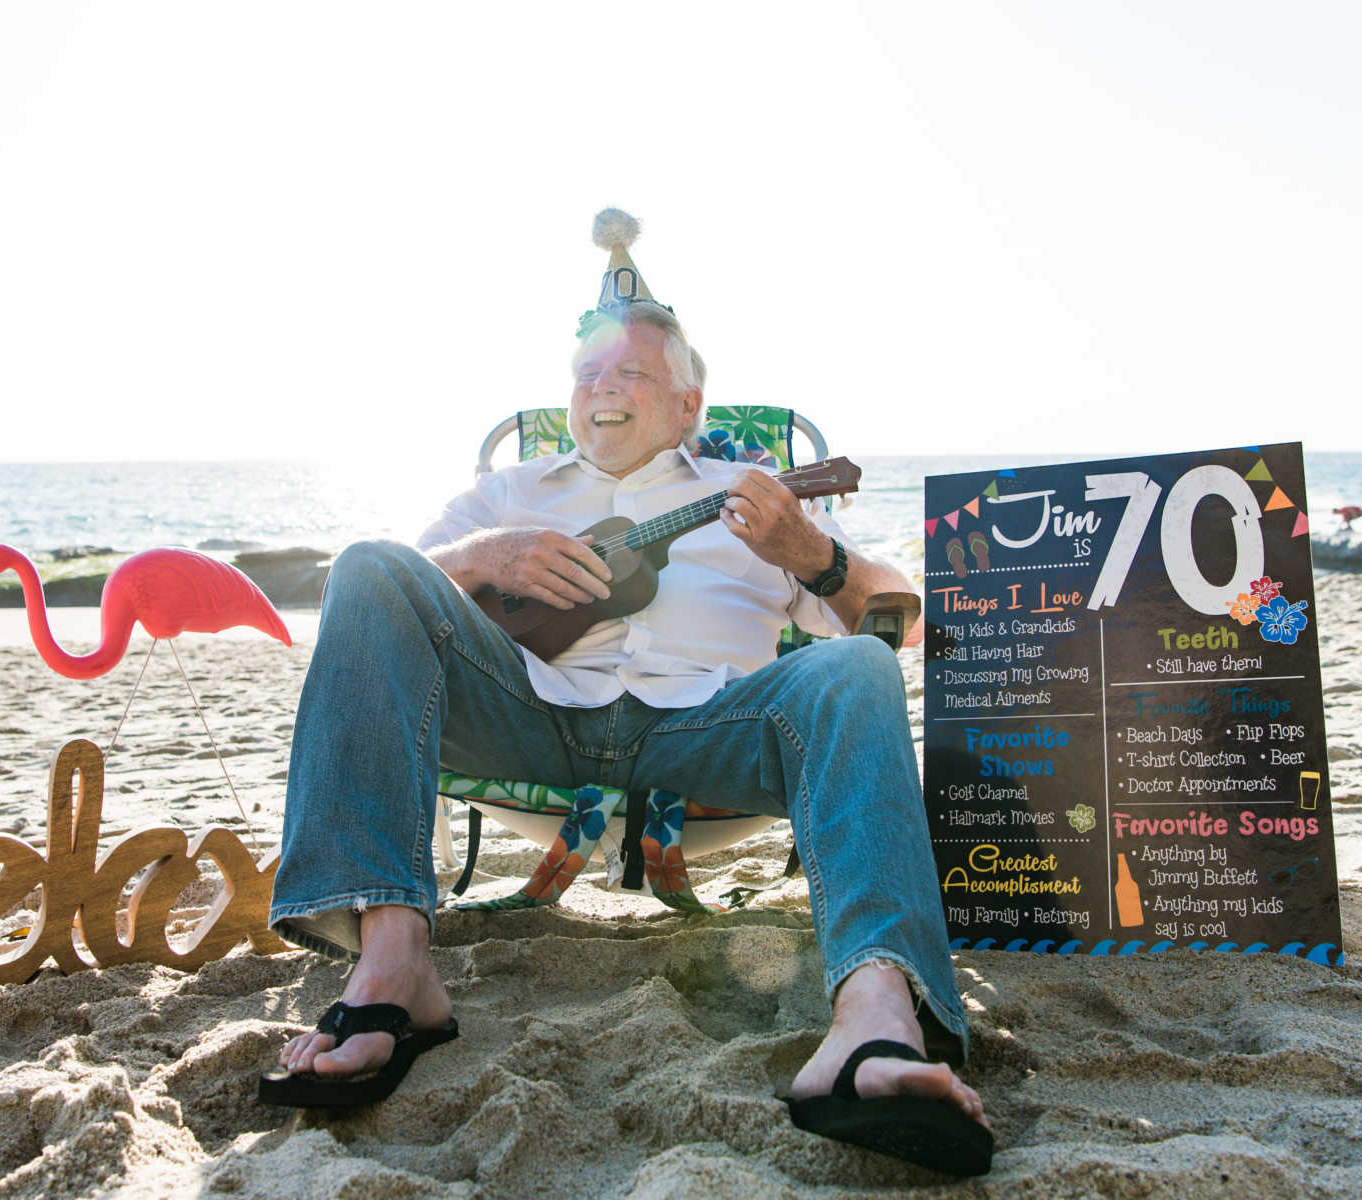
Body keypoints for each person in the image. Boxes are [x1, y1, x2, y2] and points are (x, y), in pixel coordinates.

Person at [259, 211, 993, 1177]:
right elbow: (384, 594)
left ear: (689, 405)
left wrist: (808, 554)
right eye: (587, 377)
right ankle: (396, 966)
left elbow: (907, 615)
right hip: (526, 718)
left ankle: (873, 1017)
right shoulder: (511, 490)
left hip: (706, 733)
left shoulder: (758, 492)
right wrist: (485, 556)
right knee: (365, 566)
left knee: (854, 666)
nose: (603, 391)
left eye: (632, 376)